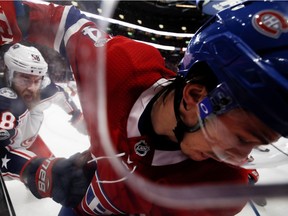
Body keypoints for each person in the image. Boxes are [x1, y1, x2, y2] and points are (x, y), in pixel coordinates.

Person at [0, 0, 287, 215]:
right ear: (196, 96)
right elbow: (50, 18)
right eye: (242, 138)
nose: (243, 157)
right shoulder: (120, 66)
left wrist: (38, 171)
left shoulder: (223, 188)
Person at [0, 42, 87, 180]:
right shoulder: (4, 104)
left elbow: (61, 95)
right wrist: (34, 169)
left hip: (26, 143)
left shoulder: (45, 88)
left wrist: (77, 117)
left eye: (36, 81)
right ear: (9, 73)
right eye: (25, 78)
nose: (32, 88)